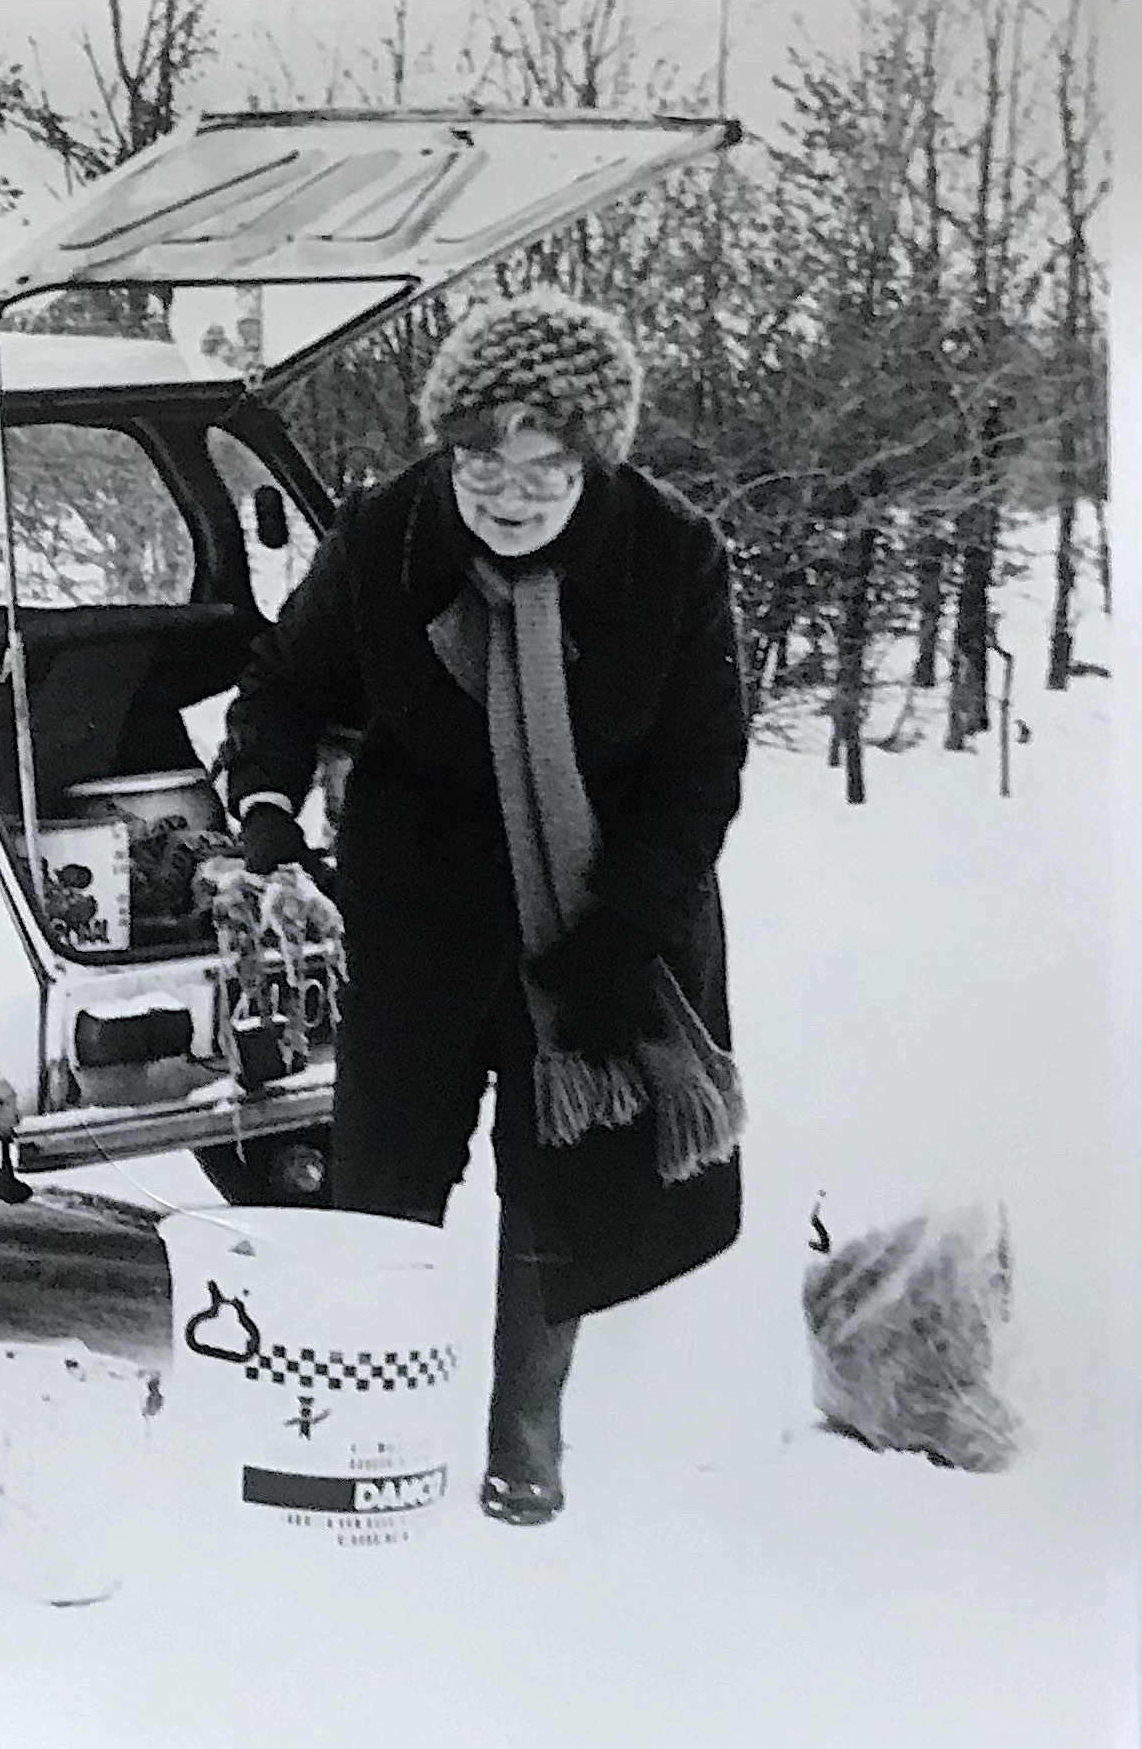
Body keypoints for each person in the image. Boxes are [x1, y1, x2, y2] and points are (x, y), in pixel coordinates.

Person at [221, 288, 749, 1527]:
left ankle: (524, 1439)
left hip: (604, 907)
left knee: (561, 1172)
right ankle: (361, 1427)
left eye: (542, 468)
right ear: (444, 448)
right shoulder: (387, 533)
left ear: (591, 458)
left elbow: (700, 763)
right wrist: (267, 815)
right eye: (479, 463)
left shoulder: (669, 553)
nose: (507, 495)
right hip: (422, 899)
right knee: (383, 1169)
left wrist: (623, 931)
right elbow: (282, 686)